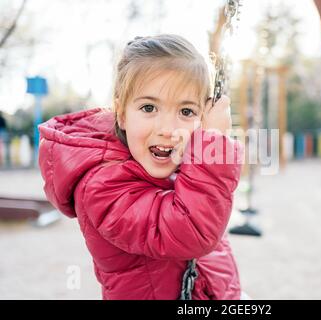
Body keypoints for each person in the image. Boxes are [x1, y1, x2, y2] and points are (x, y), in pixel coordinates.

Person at [38, 34, 244, 300]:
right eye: (149, 107)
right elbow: (191, 232)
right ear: (121, 114)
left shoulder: (186, 162)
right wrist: (212, 146)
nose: (168, 129)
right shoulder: (101, 186)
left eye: (186, 112)